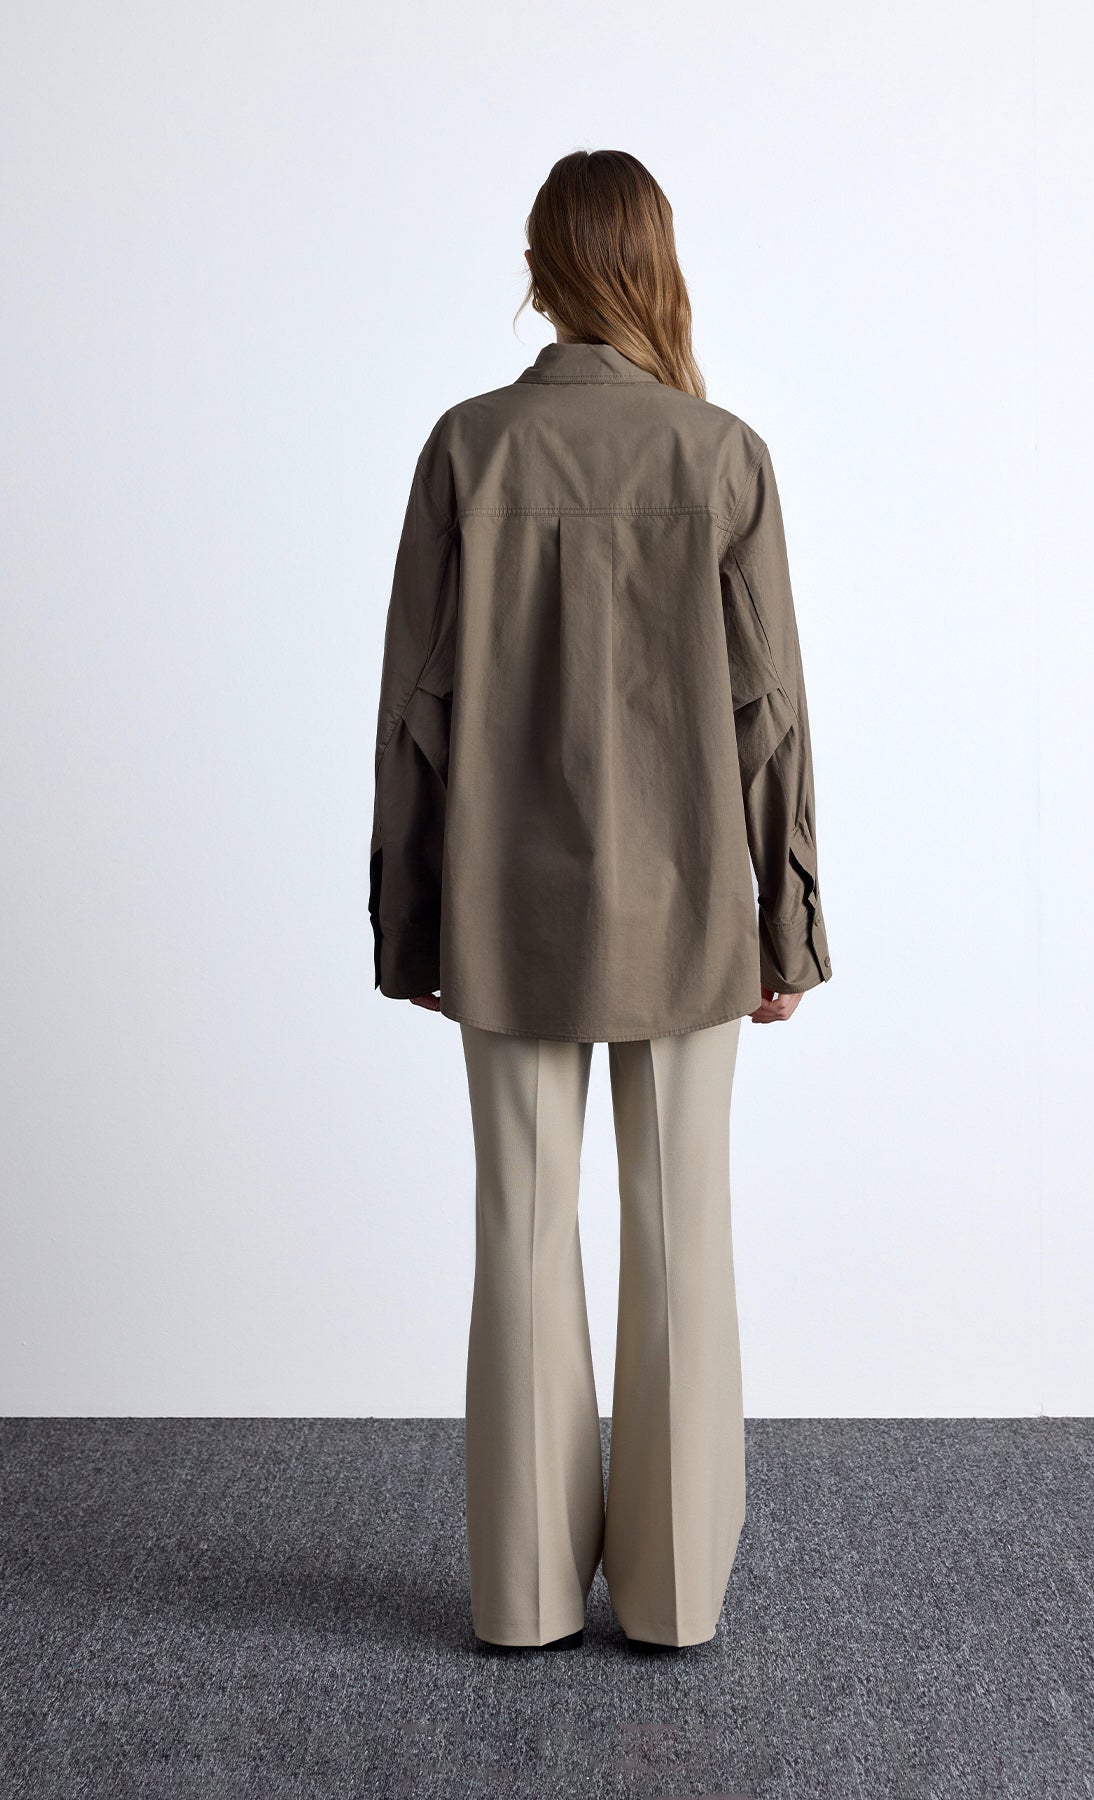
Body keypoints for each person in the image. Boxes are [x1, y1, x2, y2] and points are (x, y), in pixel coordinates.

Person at [368, 149, 832, 1653]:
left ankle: (520, 1599)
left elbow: (413, 705)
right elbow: (770, 712)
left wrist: (409, 916)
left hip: (503, 907)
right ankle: (677, 1596)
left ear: (540, 268)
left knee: (520, 1226)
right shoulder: (723, 457)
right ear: (656, 263)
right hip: (691, 909)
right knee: (681, 1227)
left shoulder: (467, 449)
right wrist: (789, 923)